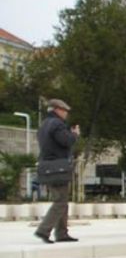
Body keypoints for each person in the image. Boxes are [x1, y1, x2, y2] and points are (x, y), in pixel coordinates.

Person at [34, 99, 80, 244]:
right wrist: (74, 134)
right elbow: (66, 141)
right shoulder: (57, 124)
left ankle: (62, 233)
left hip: (47, 166)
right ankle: (44, 230)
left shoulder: (44, 125)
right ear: (57, 110)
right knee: (60, 201)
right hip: (57, 167)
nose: (66, 114)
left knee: (62, 200)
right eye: (64, 111)